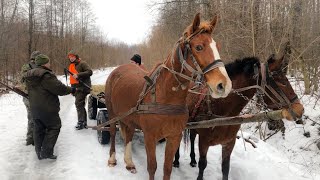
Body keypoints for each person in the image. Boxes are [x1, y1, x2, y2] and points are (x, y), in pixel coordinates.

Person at [23, 54, 76, 160]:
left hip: (34, 107)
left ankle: (39, 152)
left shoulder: (28, 75)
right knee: (54, 126)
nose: (50, 64)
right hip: (47, 108)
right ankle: (46, 152)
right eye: (48, 62)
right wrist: (71, 90)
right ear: (44, 63)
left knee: (38, 128)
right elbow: (59, 88)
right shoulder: (46, 75)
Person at [67, 50, 93, 130]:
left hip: (83, 87)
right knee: (80, 104)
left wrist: (78, 75)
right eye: (70, 57)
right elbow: (72, 78)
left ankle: (81, 122)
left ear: (76, 57)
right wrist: (72, 89)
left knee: (78, 103)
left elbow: (90, 72)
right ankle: (83, 122)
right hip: (76, 88)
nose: (71, 58)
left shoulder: (82, 63)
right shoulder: (71, 65)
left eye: (72, 57)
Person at [21, 50, 41, 146]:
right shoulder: (31, 67)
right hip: (31, 96)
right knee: (34, 118)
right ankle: (32, 139)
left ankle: (33, 138)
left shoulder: (28, 66)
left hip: (31, 96)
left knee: (33, 117)